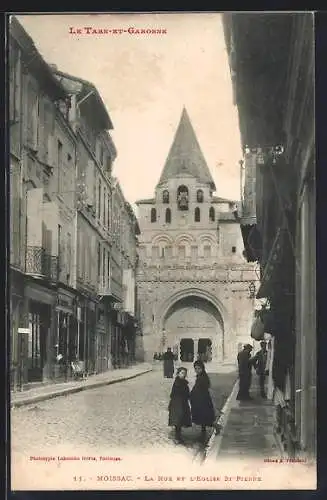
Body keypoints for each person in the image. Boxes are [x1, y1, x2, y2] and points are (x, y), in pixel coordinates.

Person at [190, 360, 215, 440]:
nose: (197, 370)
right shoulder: (200, 376)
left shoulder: (203, 377)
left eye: (199, 368)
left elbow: (203, 387)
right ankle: (203, 432)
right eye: (196, 368)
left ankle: (213, 428)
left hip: (203, 400)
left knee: (204, 416)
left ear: (202, 368)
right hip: (200, 399)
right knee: (203, 417)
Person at [168, 367, 192, 444]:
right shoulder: (177, 383)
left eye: (184, 373)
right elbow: (173, 394)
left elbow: (187, 392)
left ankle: (178, 434)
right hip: (177, 403)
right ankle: (177, 436)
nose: (183, 374)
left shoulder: (184, 382)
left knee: (181, 419)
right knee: (178, 419)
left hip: (182, 403)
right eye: (182, 373)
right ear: (178, 374)